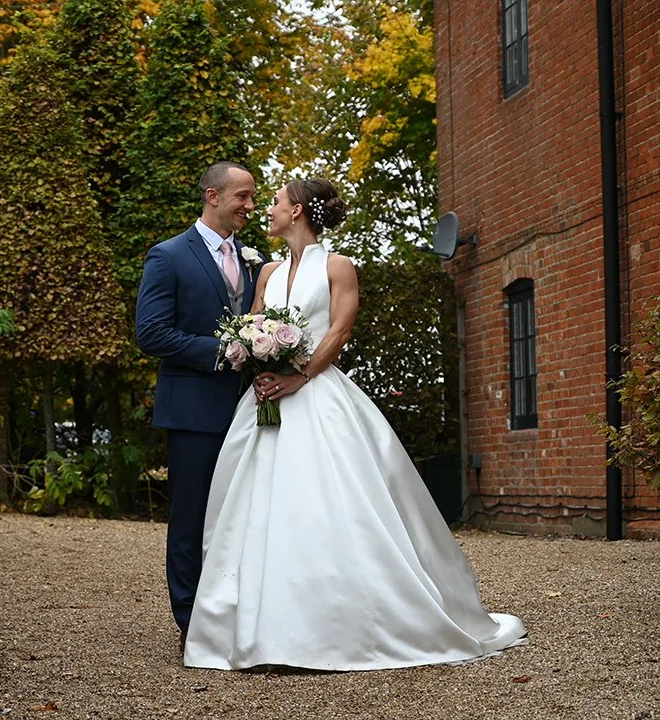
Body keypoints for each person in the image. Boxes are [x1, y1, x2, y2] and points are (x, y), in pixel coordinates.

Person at [183, 178, 527, 671]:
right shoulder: (268, 273)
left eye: (277, 202)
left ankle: (342, 627)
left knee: (331, 505)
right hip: (267, 402)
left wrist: (298, 376)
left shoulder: (338, 267)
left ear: (298, 211)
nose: (269, 210)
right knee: (257, 510)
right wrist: (258, 368)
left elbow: (341, 329)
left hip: (318, 394)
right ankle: (258, 631)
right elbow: (251, 327)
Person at [136, 161, 266, 650]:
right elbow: (150, 332)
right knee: (192, 516)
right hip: (192, 410)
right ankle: (190, 622)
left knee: (243, 515)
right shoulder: (168, 256)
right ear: (213, 196)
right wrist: (218, 353)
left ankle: (234, 610)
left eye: (254, 198)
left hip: (249, 408)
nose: (250, 207)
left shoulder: (255, 260)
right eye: (243, 197)